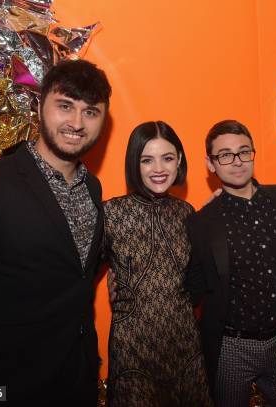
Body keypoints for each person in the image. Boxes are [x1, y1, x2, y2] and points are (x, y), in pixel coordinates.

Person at [0, 59, 111, 404]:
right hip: (9, 389)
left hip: (77, 382)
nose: (77, 123)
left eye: (91, 112)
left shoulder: (92, 189)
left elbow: (74, 281)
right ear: (40, 107)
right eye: (65, 106)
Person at [185, 120, 276, 407]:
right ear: (210, 164)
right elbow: (191, 285)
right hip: (232, 348)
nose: (236, 161)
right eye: (225, 155)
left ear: (253, 153)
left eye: (243, 152)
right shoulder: (201, 222)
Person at [103, 121, 212, 406]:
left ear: (179, 161)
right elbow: (77, 273)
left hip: (185, 348)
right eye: (147, 160)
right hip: (133, 353)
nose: (159, 169)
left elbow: (198, 280)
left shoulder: (187, 213)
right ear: (134, 164)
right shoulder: (112, 214)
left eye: (167, 158)